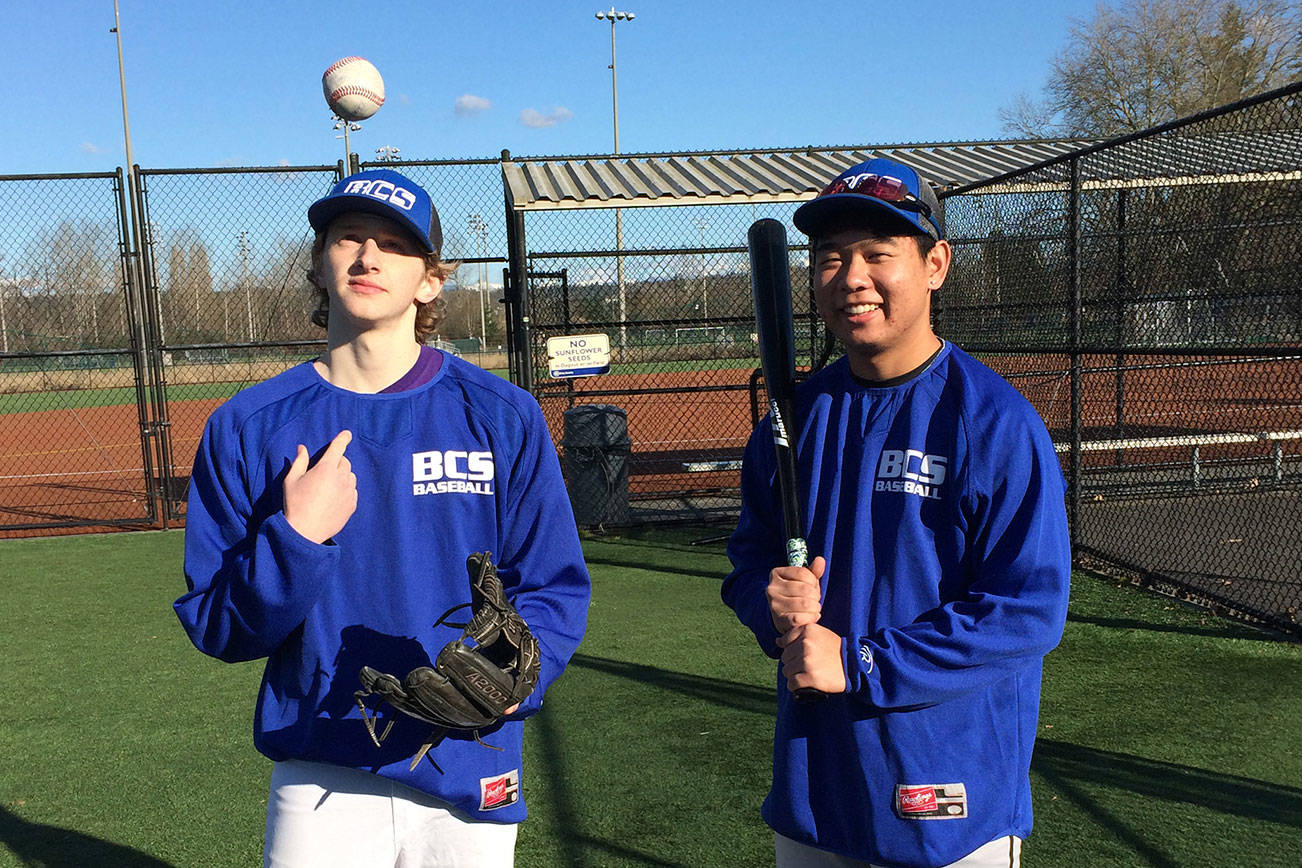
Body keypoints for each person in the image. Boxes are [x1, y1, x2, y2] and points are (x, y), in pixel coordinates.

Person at [175, 168, 591, 867]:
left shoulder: (501, 415)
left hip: (469, 757)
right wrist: (295, 539)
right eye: (348, 238)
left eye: (395, 244)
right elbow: (218, 626)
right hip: (320, 767)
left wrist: (519, 680)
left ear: (430, 279)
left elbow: (553, 587)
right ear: (318, 263)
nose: (368, 257)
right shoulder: (246, 426)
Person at [722, 158, 1071, 868]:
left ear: (935, 263)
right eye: (830, 258)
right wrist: (772, 605)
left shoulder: (994, 422)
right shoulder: (795, 419)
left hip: (943, 800)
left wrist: (859, 662)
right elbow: (748, 563)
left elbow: (1027, 610)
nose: (852, 277)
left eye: (878, 254)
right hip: (814, 789)